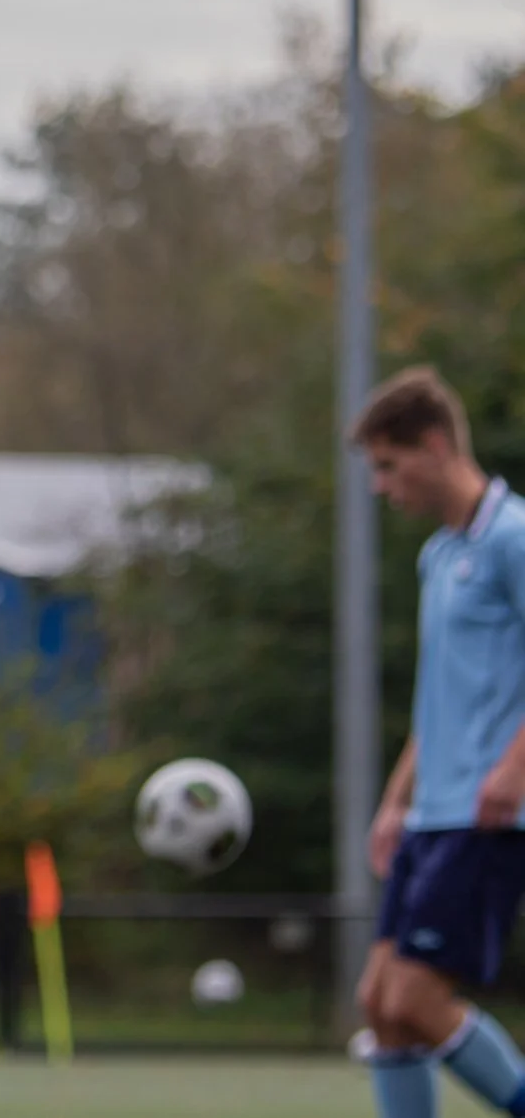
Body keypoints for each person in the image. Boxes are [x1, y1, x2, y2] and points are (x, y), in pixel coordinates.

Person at [355, 367, 525, 1118]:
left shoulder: (513, 538)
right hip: (432, 815)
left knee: (416, 1000)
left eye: (388, 465)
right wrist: (396, 802)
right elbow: (439, 701)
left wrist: (514, 770)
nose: (381, 486)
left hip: (485, 815)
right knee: (380, 1004)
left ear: (433, 445)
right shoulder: (438, 556)